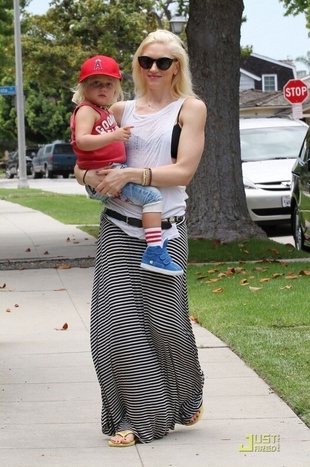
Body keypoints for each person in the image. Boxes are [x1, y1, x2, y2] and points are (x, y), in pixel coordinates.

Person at [74, 29, 207, 447]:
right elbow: (85, 161)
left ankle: (185, 395)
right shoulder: (118, 107)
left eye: (162, 62)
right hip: (118, 226)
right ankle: (136, 418)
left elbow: (184, 171)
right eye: (146, 61)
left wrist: (134, 174)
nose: (153, 69)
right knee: (113, 326)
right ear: (137, 64)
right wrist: (88, 176)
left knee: (165, 325)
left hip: (164, 232)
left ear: (176, 67)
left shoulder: (190, 108)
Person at [70, 55, 182, 276]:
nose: (103, 88)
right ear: (83, 87)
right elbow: (81, 141)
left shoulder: (105, 111)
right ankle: (155, 249)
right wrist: (114, 136)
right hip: (107, 173)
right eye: (96, 83)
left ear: (117, 88)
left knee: (149, 198)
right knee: (153, 198)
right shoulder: (86, 110)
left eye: (109, 84)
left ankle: (154, 246)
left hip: (110, 172)